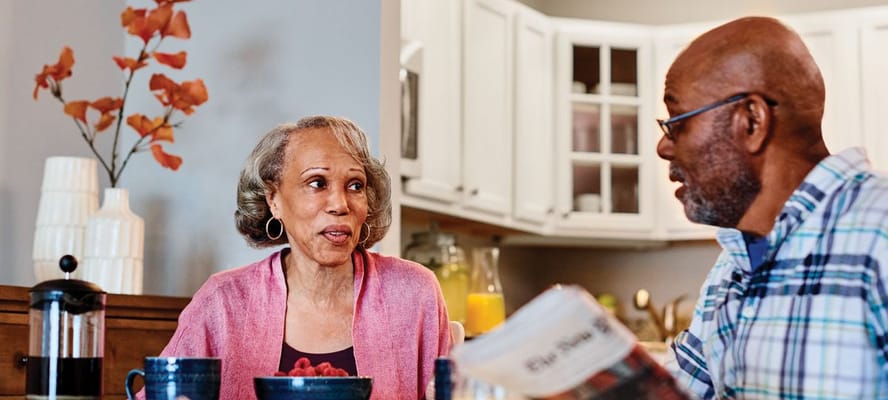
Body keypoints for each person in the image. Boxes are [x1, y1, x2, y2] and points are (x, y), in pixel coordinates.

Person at [657, 16, 888, 399]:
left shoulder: (879, 230)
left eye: (677, 123)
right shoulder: (731, 268)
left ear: (751, 121)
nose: (664, 147)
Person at [150, 116, 451, 399]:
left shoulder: (414, 292)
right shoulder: (222, 301)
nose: (340, 204)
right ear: (274, 200)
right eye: (317, 183)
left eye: (355, 186)